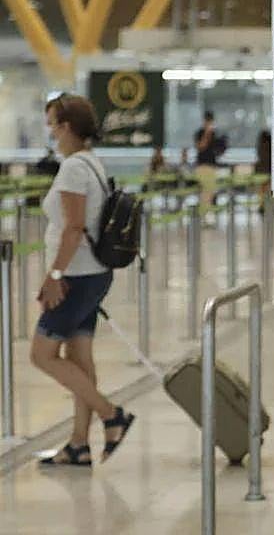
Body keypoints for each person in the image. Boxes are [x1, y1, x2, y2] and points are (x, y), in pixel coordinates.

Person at [31, 95, 136, 467]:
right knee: (79, 356)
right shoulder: (90, 162)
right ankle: (78, 444)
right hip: (93, 273)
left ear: (68, 126)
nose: (50, 130)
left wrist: (54, 275)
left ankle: (112, 415)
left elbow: (74, 228)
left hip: (75, 276)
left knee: (41, 355)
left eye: (53, 123)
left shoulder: (74, 168)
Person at [194, 111, 224, 220]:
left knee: (210, 192)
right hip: (202, 166)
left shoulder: (216, 134)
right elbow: (201, 146)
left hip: (212, 166)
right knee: (205, 191)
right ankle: (203, 215)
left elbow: (219, 151)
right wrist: (207, 133)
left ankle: (207, 215)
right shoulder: (200, 133)